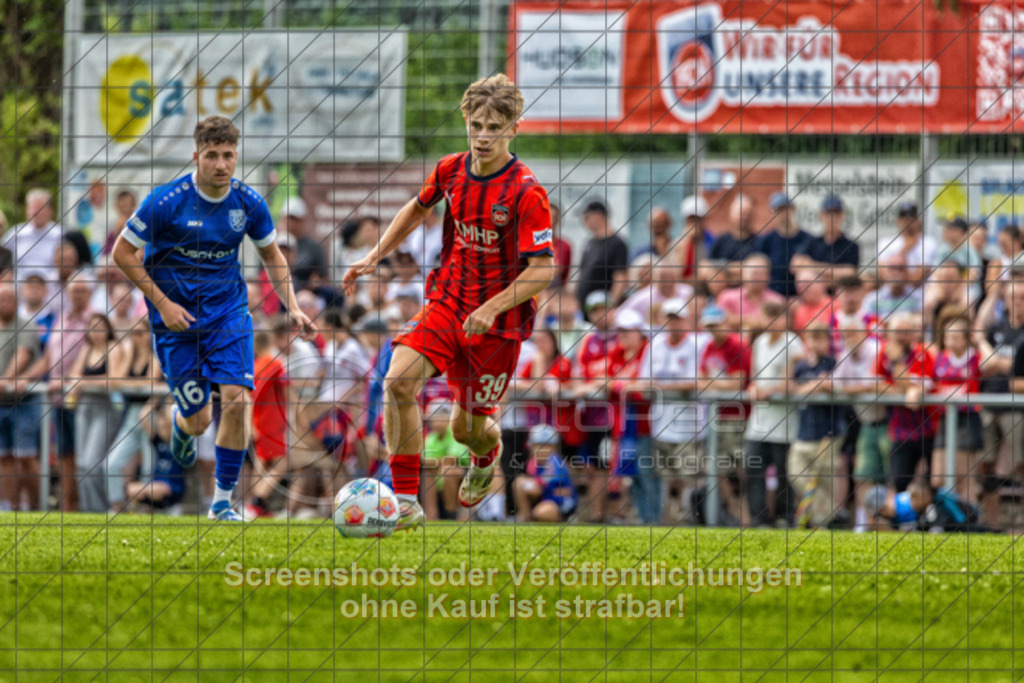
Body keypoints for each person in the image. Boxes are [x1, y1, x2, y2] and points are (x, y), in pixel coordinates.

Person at [342, 74, 556, 530]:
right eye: (476, 124)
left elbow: (543, 269)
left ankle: (487, 457)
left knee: (466, 431)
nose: (482, 135)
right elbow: (417, 208)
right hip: (448, 300)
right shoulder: (450, 170)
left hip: (497, 324)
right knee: (397, 382)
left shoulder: (526, 192)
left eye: (494, 127)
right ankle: (404, 502)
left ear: (513, 129)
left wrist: (492, 307)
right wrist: (375, 254)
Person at [112, 115, 314, 522]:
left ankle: (222, 503)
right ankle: (181, 424)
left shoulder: (249, 203)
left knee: (238, 401)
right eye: (212, 156)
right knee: (199, 420)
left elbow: (272, 255)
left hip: (228, 313)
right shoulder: (166, 202)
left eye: (228, 156)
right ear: (196, 156)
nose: (221, 164)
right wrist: (163, 304)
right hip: (177, 323)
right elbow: (122, 253)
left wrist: (291, 305)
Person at [648, 298, 709, 524]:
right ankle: (669, 519)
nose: (673, 324)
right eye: (669, 318)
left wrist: (662, 386)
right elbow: (646, 381)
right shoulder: (655, 345)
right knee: (666, 478)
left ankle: (689, 518)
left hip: (689, 425)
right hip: (661, 423)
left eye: (677, 319)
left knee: (689, 476)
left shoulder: (697, 344)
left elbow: (695, 381)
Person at [745, 300, 800, 528]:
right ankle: (758, 519)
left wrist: (772, 390)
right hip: (759, 421)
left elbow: (794, 382)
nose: (772, 322)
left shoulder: (794, 344)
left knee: (783, 474)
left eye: (777, 317)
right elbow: (754, 376)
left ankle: (784, 517)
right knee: (753, 469)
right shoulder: (759, 342)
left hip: (784, 421)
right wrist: (754, 388)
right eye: (768, 317)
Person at [65, 313, 126, 513]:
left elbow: (115, 380)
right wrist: (81, 382)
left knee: (93, 462)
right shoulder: (87, 349)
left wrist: (84, 383)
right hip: (85, 406)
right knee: (82, 463)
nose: (96, 333)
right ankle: (88, 509)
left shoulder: (113, 348)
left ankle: (101, 509)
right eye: (92, 328)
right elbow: (74, 375)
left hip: (106, 407)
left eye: (100, 328)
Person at [697, 303, 751, 524]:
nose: (713, 330)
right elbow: (701, 381)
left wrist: (712, 384)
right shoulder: (709, 347)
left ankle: (746, 517)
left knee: (740, 469)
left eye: (716, 325)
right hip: (717, 417)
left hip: (738, 417)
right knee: (718, 469)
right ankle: (733, 514)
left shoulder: (737, 346)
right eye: (709, 326)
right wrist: (717, 384)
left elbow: (738, 382)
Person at [789, 322, 846, 528]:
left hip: (828, 432)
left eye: (820, 339)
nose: (815, 344)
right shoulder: (801, 366)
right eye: (811, 339)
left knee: (825, 479)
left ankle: (823, 522)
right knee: (795, 472)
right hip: (804, 431)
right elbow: (793, 390)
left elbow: (831, 386)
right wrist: (815, 385)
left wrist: (812, 387)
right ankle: (832, 515)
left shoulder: (833, 363)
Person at [105, 316, 162, 513]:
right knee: (111, 464)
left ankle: (147, 510)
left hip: (150, 413)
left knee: (149, 466)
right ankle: (117, 506)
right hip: (131, 414)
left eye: (140, 333)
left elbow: (151, 384)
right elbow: (114, 382)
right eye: (133, 334)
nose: (136, 338)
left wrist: (129, 384)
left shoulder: (156, 356)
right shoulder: (130, 355)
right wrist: (129, 354)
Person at [931, 314, 990, 504]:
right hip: (945, 419)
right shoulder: (939, 358)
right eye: (948, 335)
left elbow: (992, 363)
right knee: (939, 476)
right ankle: (944, 518)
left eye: (956, 335)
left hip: (967, 418)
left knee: (965, 475)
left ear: (966, 337)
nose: (951, 340)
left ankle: (968, 521)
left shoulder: (974, 358)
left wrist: (980, 341)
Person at [877, 312, 937, 493]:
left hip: (928, 430)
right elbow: (876, 385)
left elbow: (918, 385)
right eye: (897, 332)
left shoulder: (923, 354)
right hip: (900, 432)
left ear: (913, 333)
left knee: (932, 485)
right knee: (899, 483)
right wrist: (904, 391)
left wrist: (897, 363)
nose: (901, 337)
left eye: (906, 331)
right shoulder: (883, 354)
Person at [0, 283, 41, 511]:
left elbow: (22, 355)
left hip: (23, 402)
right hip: (0, 403)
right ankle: (8, 505)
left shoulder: (25, 325)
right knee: (3, 458)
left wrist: (5, 380)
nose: (4, 304)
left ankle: (35, 505)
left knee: (26, 457)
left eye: (8, 299)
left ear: (16, 302)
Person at [514, 423, 577, 522]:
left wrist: (533, 485)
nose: (541, 450)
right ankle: (524, 516)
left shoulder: (555, 462)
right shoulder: (534, 463)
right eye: (538, 446)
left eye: (546, 446)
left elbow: (546, 485)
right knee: (519, 481)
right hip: (546, 498)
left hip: (561, 503)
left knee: (541, 512)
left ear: (554, 447)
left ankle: (564, 519)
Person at [793, 193, 859, 286]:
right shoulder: (812, 242)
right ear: (821, 216)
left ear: (842, 216)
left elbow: (850, 273)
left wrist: (812, 265)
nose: (832, 218)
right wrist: (834, 273)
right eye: (828, 213)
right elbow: (795, 266)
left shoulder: (851, 245)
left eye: (836, 214)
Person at [755, 192, 813, 297]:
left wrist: (808, 264)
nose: (783, 214)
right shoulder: (766, 240)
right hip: (772, 296)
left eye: (786, 209)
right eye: (779, 210)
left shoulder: (807, 239)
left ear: (793, 210)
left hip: (800, 297)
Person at [575, 200, 629, 311]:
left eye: (587, 217)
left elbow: (620, 278)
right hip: (583, 308)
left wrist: (609, 307)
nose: (584, 221)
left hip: (600, 310)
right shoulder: (589, 243)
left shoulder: (617, 244)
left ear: (599, 216)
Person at [3, 188, 63, 283]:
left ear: (50, 211)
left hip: (52, 288)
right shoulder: (14, 234)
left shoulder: (60, 234)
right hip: (19, 288)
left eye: (40, 208)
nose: (35, 212)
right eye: (32, 207)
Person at [717, 253, 786, 333]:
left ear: (768, 277)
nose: (756, 277)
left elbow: (779, 326)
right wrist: (755, 321)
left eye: (760, 273)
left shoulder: (776, 300)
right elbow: (721, 322)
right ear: (743, 274)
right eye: (753, 273)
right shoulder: (727, 297)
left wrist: (740, 320)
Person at [876, 201, 937, 287]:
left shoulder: (928, 243)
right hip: (891, 295)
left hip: (918, 295)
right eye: (904, 219)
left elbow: (916, 279)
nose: (907, 223)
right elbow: (884, 276)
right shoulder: (885, 243)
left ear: (918, 221)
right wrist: (904, 250)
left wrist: (897, 276)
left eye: (911, 219)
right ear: (897, 221)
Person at [278, 197, 326, 289]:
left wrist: (316, 285)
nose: (291, 223)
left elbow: (324, 277)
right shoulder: (273, 244)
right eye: (289, 218)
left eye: (295, 219)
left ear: (303, 221)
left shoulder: (313, 247)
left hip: (305, 295)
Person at [709, 193, 758, 263]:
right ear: (731, 213)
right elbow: (705, 266)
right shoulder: (721, 241)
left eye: (748, 213)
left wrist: (722, 266)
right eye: (741, 213)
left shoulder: (759, 242)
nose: (744, 217)